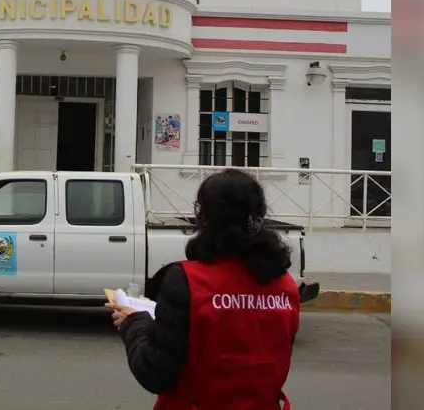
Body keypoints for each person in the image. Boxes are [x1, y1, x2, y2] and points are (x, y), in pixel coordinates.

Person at [108, 168, 300, 410]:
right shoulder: (286, 286)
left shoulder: (187, 280)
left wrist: (134, 323)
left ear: (205, 218)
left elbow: (155, 373)